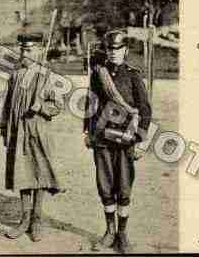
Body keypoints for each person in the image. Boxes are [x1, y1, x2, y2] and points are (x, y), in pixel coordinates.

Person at [83, 30, 152, 254]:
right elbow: (91, 103)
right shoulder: (98, 74)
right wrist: (87, 130)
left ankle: (122, 234)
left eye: (118, 49)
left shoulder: (133, 75)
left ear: (126, 51)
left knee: (123, 187)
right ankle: (109, 231)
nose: (113, 53)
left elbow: (144, 109)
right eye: (110, 49)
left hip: (125, 140)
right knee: (105, 186)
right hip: (102, 139)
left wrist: (140, 139)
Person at [0, 32, 64, 242]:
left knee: (39, 172)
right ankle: (24, 218)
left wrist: (42, 107)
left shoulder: (48, 76)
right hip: (17, 131)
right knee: (22, 173)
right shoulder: (16, 75)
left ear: (38, 51)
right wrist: (3, 128)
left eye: (28, 50)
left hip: (38, 131)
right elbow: (7, 105)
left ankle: (37, 218)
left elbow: (57, 106)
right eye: (22, 49)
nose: (23, 53)